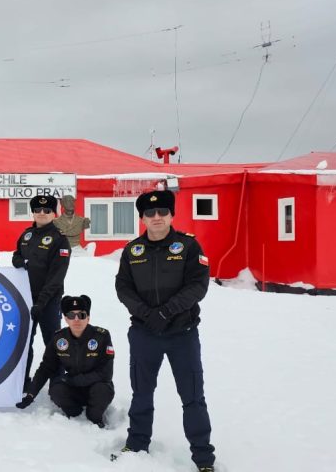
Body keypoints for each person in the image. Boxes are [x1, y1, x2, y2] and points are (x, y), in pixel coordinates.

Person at [114, 189, 216, 471]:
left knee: (193, 397)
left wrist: (167, 312)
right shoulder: (132, 250)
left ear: (172, 215)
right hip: (145, 334)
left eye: (162, 212)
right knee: (142, 393)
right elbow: (123, 287)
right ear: (142, 218)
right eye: (150, 213)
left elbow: (198, 285)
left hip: (181, 334)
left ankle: (204, 458)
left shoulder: (188, 247)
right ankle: (136, 445)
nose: (156, 217)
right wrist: (147, 314)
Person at [16, 295, 115, 428]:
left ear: (88, 317)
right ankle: (75, 416)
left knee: (102, 391)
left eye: (81, 315)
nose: (76, 319)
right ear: (65, 318)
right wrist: (31, 394)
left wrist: (77, 380)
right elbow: (46, 368)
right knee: (56, 390)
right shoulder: (59, 338)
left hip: (96, 386)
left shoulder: (101, 336)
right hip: (74, 388)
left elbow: (106, 374)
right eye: (71, 315)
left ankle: (95, 418)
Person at [12, 194, 71, 389]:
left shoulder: (59, 239)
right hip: (26, 298)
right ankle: (22, 381)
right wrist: (17, 260)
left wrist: (41, 302)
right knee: (24, 342)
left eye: (47, 210)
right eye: (38, 210)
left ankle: (58, 384)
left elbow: (56, 276)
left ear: (54, 213)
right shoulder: (27, 234)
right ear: (33, 212)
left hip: (49, 301)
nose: (42, 213)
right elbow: (17, 255)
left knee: (53, 343)